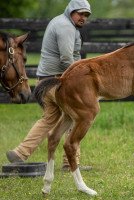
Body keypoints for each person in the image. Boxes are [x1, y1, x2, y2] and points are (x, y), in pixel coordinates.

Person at [6, 0, 92, 171]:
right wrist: (84, 78)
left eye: (86, 15)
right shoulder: (66, 27)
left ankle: (20, 153)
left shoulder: (59, 21)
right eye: (80, 13)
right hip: (58, 81)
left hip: (44, 82)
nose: (83, 18)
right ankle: (70, 163)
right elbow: (67, 58)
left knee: (49, 119)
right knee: (79, 115)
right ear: (71, 11)